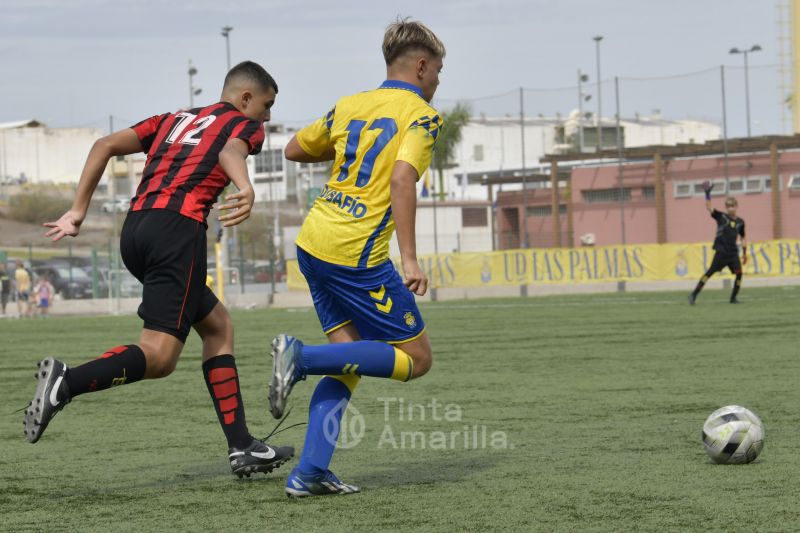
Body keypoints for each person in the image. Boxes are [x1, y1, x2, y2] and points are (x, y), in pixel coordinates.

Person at [23, 61, 293, 478]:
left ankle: (242, 445)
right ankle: (66, 382)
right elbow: (230, 150)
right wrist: (245, 186)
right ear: (245, 98)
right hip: (177, 231)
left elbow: (103, 145)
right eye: (267, 105)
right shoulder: (243, 124)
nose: (268, 116)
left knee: (218, 328)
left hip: (136, 230)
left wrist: (77, 212)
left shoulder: (172, 119)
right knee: (160, 356)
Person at [269, 18, 445, 497]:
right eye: (439, 71)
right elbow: (403, 178)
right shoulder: (423, 116)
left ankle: (309, 472)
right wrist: (410, 259)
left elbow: (292, 148)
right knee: (417, 358)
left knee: (348, 362)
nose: (438, 82)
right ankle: (299, 358)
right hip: (355, 252)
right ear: (422, 66)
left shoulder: (350, 106)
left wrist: (349, 155)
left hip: (313, 240)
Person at [689, 181, 746, 305]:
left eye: (733, 206)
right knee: (709, 273)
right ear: (726, 208)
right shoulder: (722, 217)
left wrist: (745, 253)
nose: (731, 208)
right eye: (728, 206)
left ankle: (733, 298)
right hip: (721, 252)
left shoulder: (741, 222)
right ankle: (694, 294)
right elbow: (709, 208)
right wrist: (707, 194)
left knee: (739, 274)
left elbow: (742, 237)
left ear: (737, 206)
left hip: (733, 254)